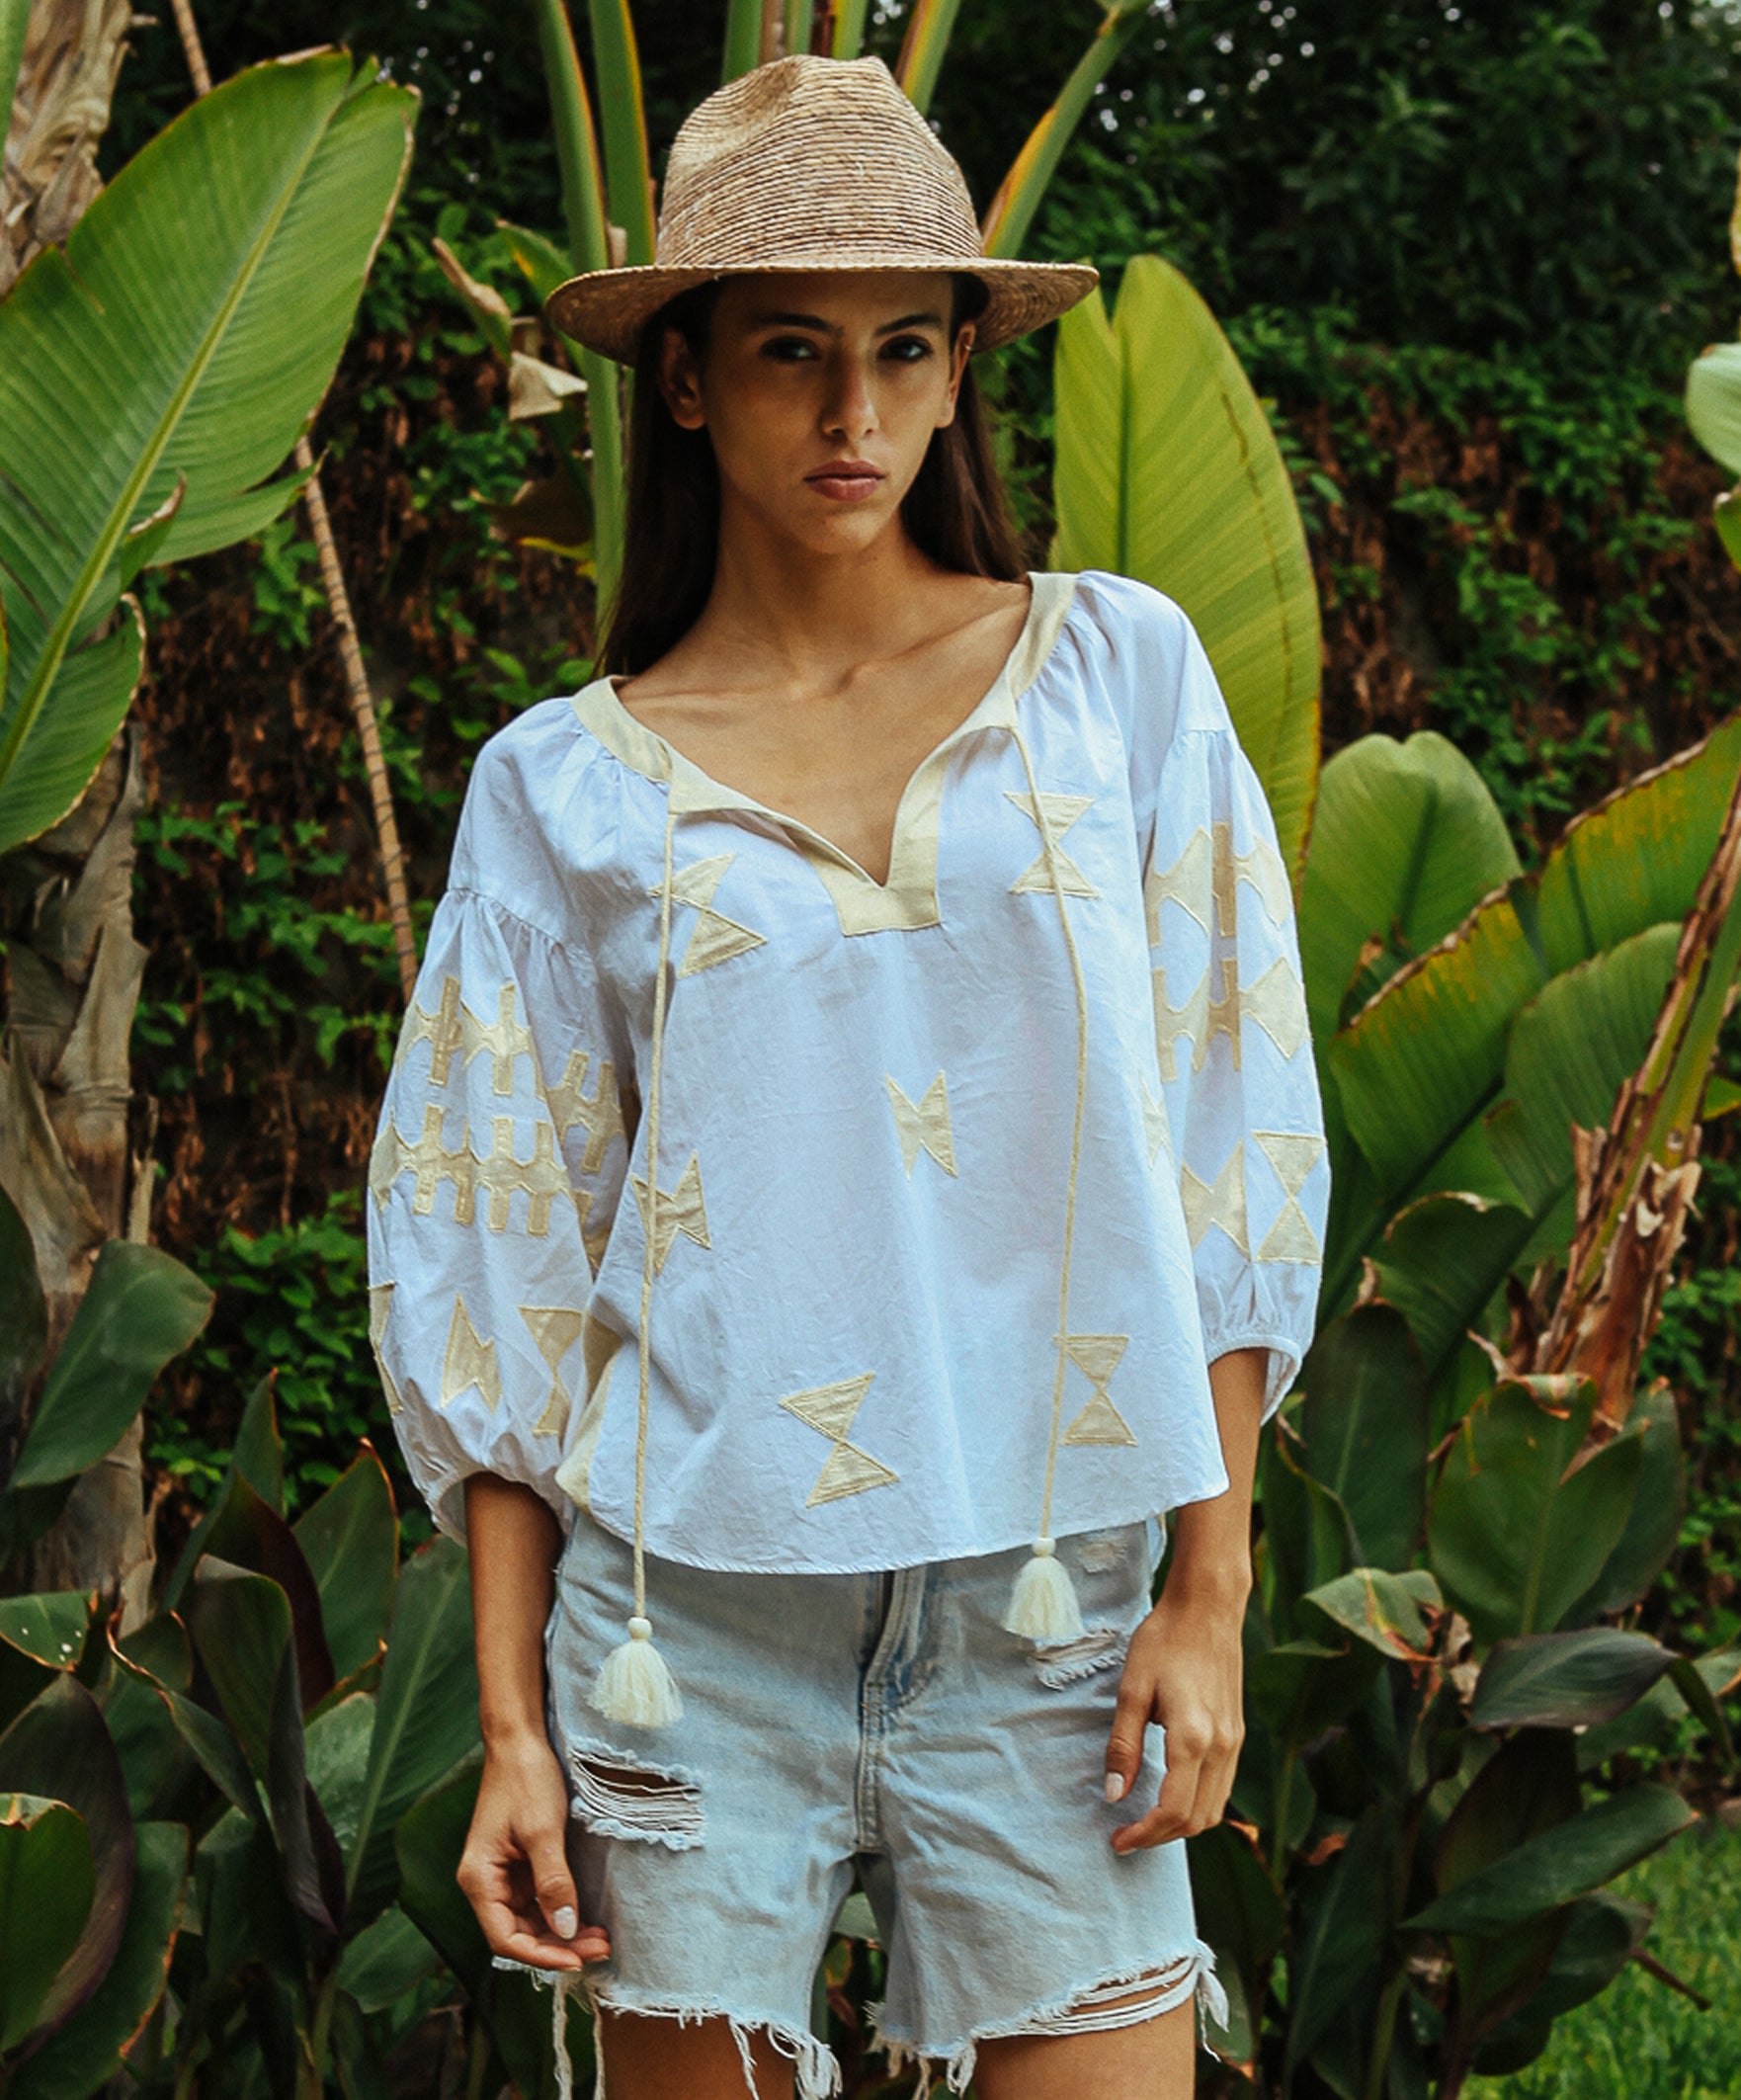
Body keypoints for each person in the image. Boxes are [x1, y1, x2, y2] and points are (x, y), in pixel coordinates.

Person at [366, 50, 1327, 2100]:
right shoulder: (559, 788)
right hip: (678, 1634)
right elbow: (499, 1252)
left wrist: (1209, 1585)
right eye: (792, 351)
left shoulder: (1119, 681)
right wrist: (516, 1720)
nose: (855, 411)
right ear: (691, 378)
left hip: (1058, 1604)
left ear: (967, 366)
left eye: (906, 346)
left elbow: (1234, 1146)